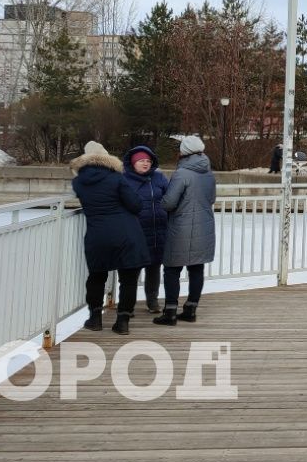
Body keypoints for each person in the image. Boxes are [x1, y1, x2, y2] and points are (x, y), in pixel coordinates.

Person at [70, 141, 150, 335]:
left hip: (98, 235)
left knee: (97, 276)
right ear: (107, 158)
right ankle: (122, 322)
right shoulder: (117, 178)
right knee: (129, 279)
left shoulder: (78, 182)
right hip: (127, 234)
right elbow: (135, 205)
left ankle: (95, 318)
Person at [155, 135, 217, 325]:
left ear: (184, 152)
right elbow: (212, 199)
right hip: (204, 226)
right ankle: (190, 310)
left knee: (172, 269)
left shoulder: (181, 173)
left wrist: (160, 199)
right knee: (196, 269)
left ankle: (170, 312)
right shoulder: (209, 173)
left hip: (181, 228)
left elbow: (169, 203)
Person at [122, 145, 168, 314]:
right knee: (132, 270)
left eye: (148, 161)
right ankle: (128, 304)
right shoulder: (124, 180)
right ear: (133, 163)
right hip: (135, 231)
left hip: (157, 231)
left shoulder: (159, 178)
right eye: (141, 160)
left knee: (154, 267)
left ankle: (152, 301)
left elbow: (169, 197)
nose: (145, 164)